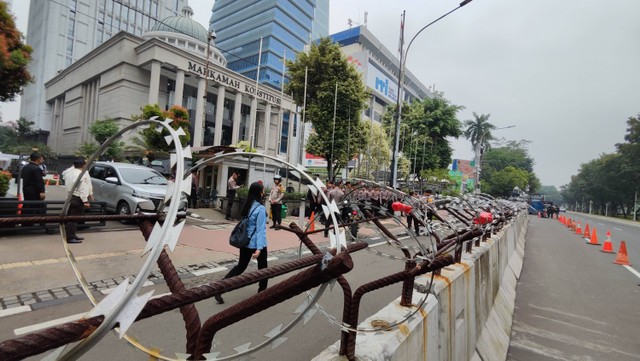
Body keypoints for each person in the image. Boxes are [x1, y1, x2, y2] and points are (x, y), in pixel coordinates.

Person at [215, 182, 268, 304]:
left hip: (245, 242)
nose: (264, 192)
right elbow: (260, 230)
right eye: (263, 190)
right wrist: (259, 249)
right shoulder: (260, 208)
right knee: (263, 269)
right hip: (257, 243)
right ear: (259, 193)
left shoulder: (247, 205)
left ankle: (220, 287)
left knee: (240, 267)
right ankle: (262, 293)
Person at [62, 157, 94, 244]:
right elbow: (82, 188)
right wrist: (85, 201)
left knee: (71, 217)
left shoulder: (69, 172)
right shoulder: (80, 174)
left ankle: (71, 235)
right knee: (74, 219)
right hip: (78, 197)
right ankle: (70, 237)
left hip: (71, 196)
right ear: (83, 165)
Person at [21, 152, 46, 222]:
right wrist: (42, 191)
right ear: (38, 159)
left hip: (26, 189)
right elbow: (39, 181)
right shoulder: (36, 169)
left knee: (27, 205)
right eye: (42, 159)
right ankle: (31, 223)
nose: (43, 160)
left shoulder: (25, 167)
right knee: (34, 206)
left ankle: (24, 221)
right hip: (34, 191)